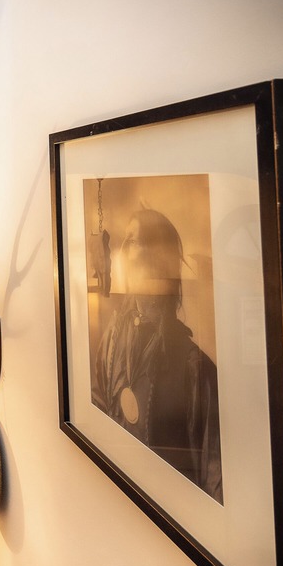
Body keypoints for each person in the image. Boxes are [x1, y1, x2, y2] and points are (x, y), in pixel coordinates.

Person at [92, 208, 223, 504]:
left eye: (133, 241)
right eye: (124, 241)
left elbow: (213, 476)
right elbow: (96, 410)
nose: (123, 250)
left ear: (156, 258)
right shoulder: (114, 337)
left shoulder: (194, 366)